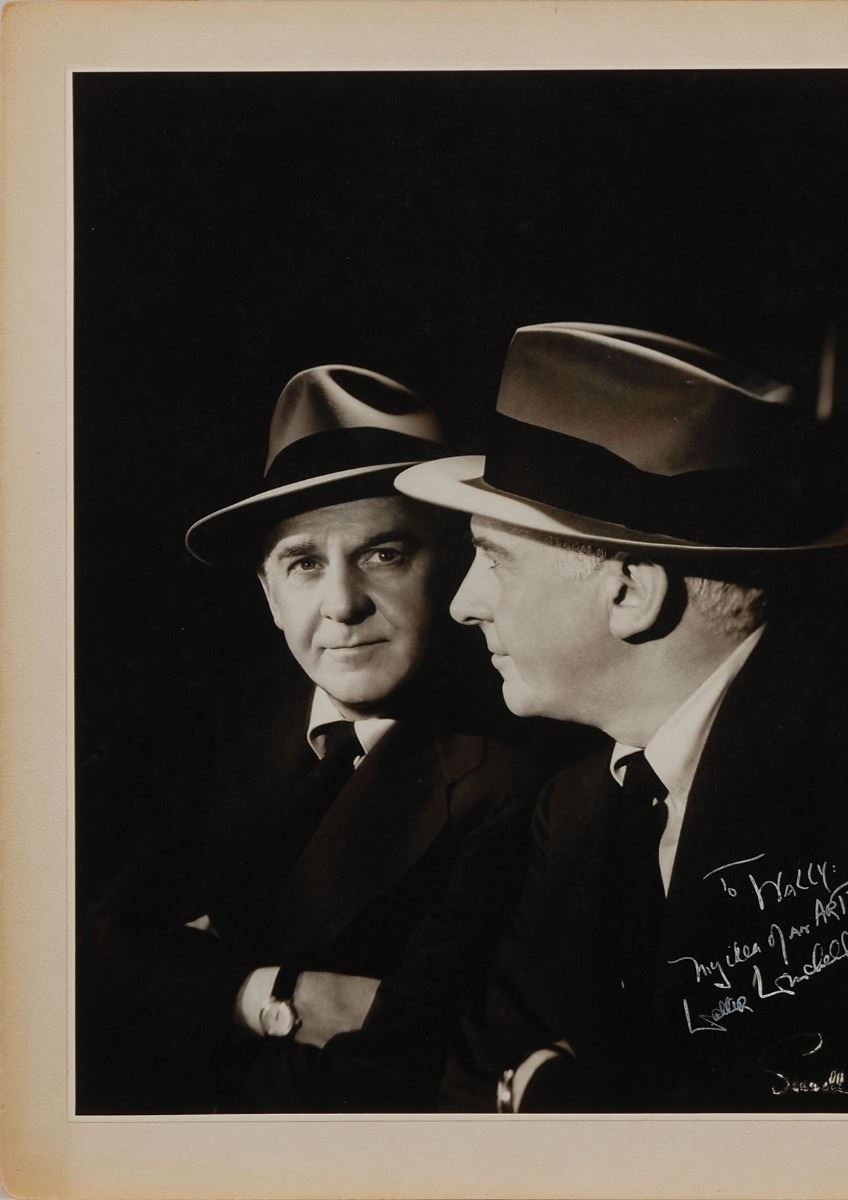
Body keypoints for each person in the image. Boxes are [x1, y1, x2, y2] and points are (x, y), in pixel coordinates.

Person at [396, 322, 848, 1113]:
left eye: (493, 558)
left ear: (631, 591)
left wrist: (559, 1092)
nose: (462, 604)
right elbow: (477, 1074)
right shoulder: (577, 808)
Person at [77, 363, 592, 1114]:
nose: (342, 604)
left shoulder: (523, 772)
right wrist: (273, 996)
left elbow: (399, 1079)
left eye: (385, 554)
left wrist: (184, 993)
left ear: (452, 568)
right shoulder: (224, 725)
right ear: (268, 594)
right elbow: (82, 958)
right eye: (304, 564)